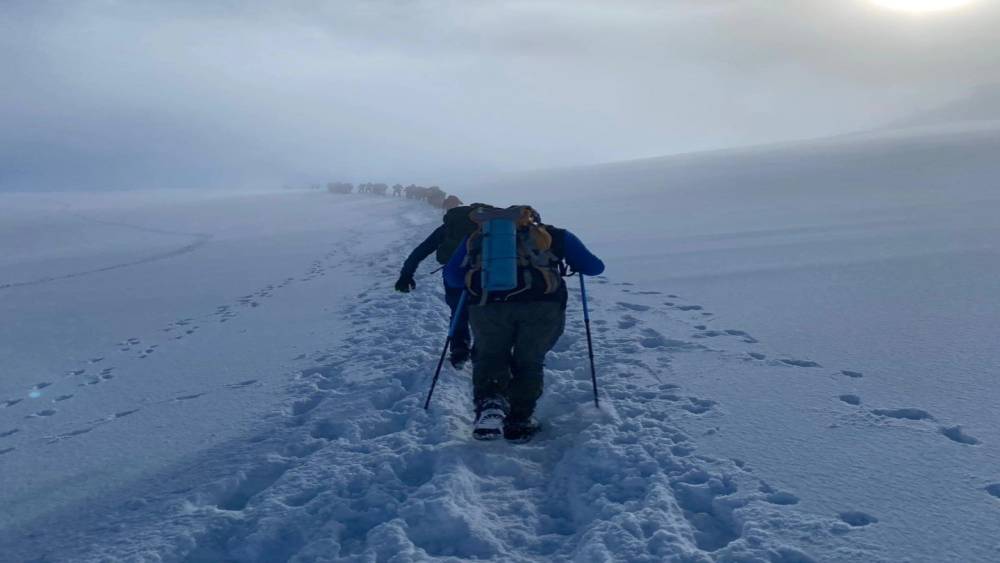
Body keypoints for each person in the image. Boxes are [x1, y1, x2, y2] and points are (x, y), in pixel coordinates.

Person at [444, 205, 605, 441]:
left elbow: (452, 277)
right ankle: (520, 420)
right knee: (529, 359)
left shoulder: (478, 238)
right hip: (543, 307)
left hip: (487, 305)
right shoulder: (555, 235)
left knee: (490, 355)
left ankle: (491, 404)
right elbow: (595, 267)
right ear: (530, 220)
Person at [395, 203, 495, 367]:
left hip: (454, 273)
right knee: (486, 311)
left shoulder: (450, 226)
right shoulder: (495, 227)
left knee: (458, 310)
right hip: (486, 276)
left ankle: (459, 350)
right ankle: (485, 350)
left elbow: (422, 250)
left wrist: (406, 274)